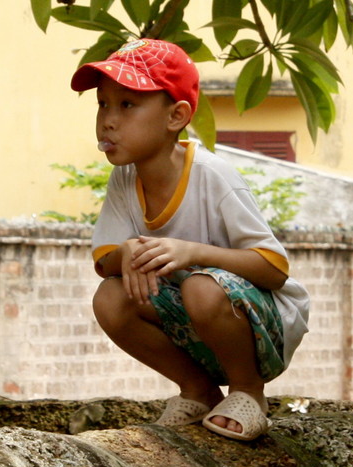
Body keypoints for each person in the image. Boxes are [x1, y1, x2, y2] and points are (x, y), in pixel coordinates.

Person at [71, 38, 310, 441]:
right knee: (110, 298)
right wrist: (126, 252)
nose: (108, 120)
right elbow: (105, 259)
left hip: (258, 328)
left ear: (176, 116)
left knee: (201, 287)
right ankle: (199, 390)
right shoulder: (125, 178)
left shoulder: (213, 176)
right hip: (195, 325)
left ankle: (249, 393)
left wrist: (193, 253)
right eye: (103, 104)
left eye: (127, 105)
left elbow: (274, 268)